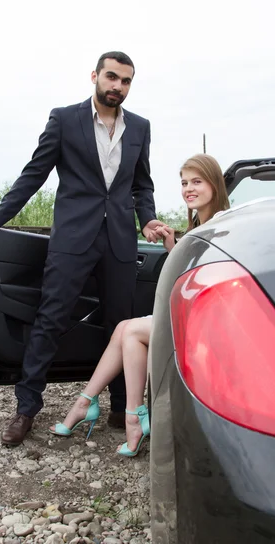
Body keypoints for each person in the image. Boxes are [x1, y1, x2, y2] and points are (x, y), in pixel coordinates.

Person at [0, 51, 165, 446]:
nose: (117, 86)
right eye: (111, 77)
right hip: (73, 239)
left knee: (120, 326)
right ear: (94, 76)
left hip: (119, 240)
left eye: (125, 81)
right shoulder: (65, 119)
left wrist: (148, 218)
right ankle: (26, 409)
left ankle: (121, 408)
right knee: (50, 319)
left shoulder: (140, 127)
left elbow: (143, 184)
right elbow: (35, 172)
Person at [50, 153, 230, 456]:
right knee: (124, 329)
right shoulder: (201, 223)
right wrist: (173, 244)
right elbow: (187, 275)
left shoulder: (223, 224)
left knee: (129, 331)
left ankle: (111, 412)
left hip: (212, 323)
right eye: (184, 182)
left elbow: (211, 280)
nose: (188, 188)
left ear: (214, 183)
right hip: (197, 314)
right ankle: (111, 411)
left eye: (197, 181)